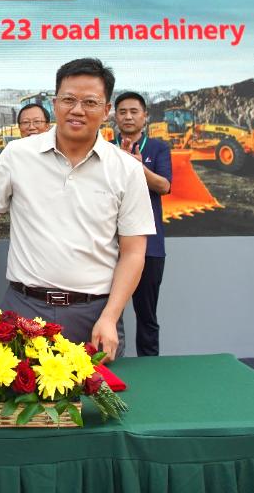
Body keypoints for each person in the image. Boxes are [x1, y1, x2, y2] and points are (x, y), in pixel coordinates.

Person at [0, 58, 155, 360]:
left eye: (90, 102)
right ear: (55, 103)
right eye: (69, 100)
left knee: (93, 393)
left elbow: (134, 252)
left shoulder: (126, 169)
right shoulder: (18, 154)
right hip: (24, 310)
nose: (77, 110)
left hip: (94, 315)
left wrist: (110, 317)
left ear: (106, 110)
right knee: (11, 391)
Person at [114, 92, 172, 356]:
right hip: (109, 245)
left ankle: (150, 366)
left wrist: (138, 168)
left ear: (145, 116)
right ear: (115, 117)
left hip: (150, 246)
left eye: (134, 111)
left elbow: (164, 186)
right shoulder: (105, 148)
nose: (128, 116)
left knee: (146, 314)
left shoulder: (158, 148)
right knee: (107, 313)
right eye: (122, 111)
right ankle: (107, 368)